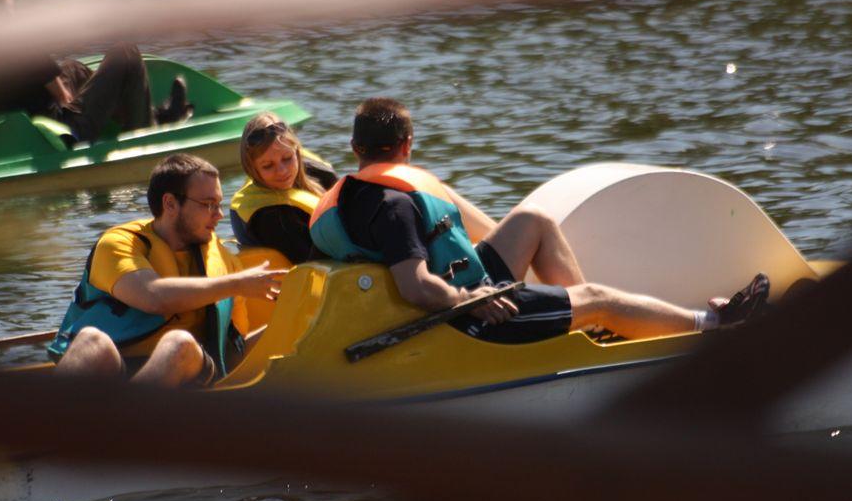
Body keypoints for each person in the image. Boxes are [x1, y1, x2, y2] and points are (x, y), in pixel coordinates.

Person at [310, 98, 769, 343]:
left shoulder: (361, 194)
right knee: (599, 296)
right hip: (467, 319)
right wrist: (472, 298)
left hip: (465, 290)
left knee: (533, 220)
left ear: (356, 149)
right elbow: (414, 285)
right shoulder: (395, 205)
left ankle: (585, 327)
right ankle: (714, 324)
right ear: (407, 145)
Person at [48, 153, 288, 389]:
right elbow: (153, 297)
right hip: (118, 368)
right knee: (92, 340)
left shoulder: (224, 262)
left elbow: (232, 355)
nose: (219, 214)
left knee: (179, 343)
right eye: (208, 204)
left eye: (219, 204)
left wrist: (290, 327)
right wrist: (235, 284)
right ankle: (41, 421)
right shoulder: (119, 244)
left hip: (190, 372)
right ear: (170, 203)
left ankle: (125, 420)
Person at [0, 0, 192, 143]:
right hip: (66, 131)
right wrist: (90, 101)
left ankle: (152, 113)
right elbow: (64, 98)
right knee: (126, 54)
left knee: (72, 69)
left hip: (21, 122)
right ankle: (148, 126)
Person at [229, 112, 338, 263]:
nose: (282, 171)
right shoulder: (270, 216)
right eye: (268, 166)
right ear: (253, 170)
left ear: (297, 152)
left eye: (287, 158)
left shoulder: (321, 177)